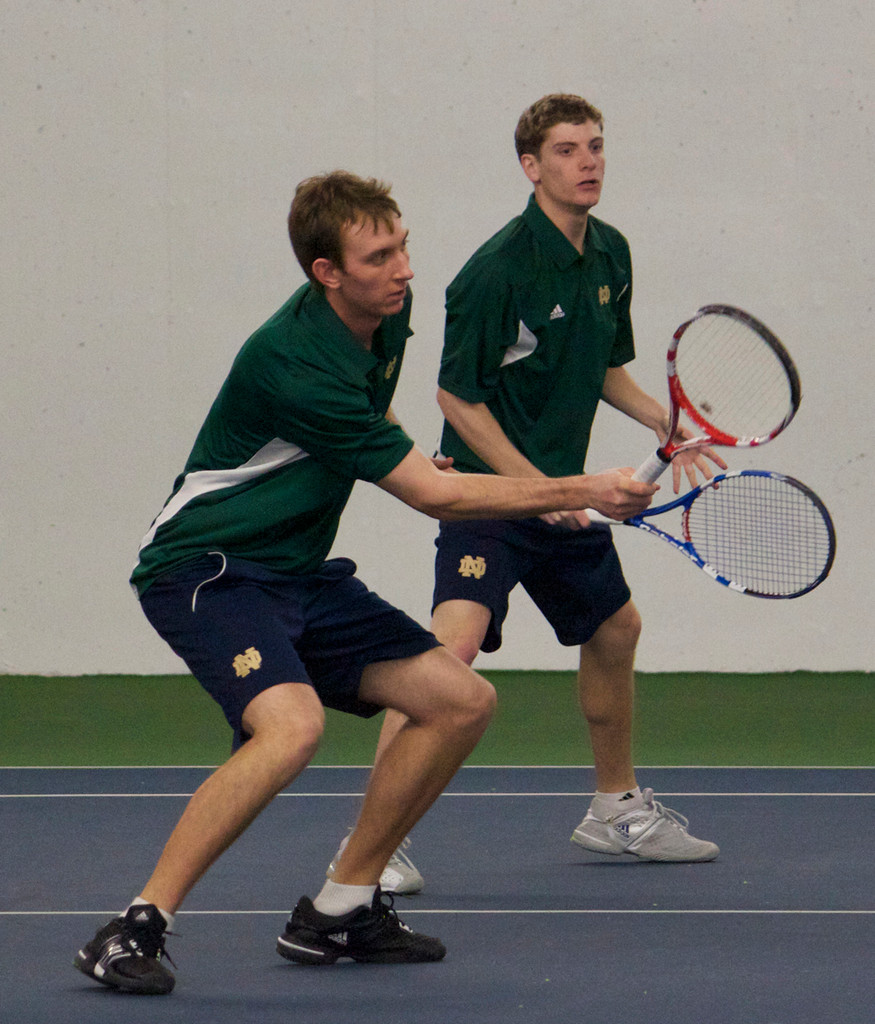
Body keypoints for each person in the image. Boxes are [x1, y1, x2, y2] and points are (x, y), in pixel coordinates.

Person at [72, 170, 658, 995]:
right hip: (208, 570)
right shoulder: (291, 360)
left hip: (300, 573)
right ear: (326, 272)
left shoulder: (386, 312)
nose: (403, 269)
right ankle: (135, 926)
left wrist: (412, 449)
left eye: (403, 245)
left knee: (460, 701)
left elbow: (382, 419)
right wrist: (582, 488)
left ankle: (342, 906)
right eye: (379, 256)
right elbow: (436, 499)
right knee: (292, 729)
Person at [350, 94, 726, 895]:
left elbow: (605, 369)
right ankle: (374, 840)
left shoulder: (610, 253)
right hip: (491, 496)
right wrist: (531, 488)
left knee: (615, 627)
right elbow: (457, 401)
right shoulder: (494, 272)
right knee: (442, 658)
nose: (586, 162)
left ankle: (614, 809)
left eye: (594, 146)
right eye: (565, 150)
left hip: (565, 494)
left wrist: (673, 419)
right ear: (531, 166)